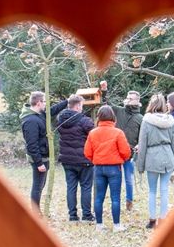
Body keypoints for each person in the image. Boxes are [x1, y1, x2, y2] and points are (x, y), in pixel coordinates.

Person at [84, 105, 132, 231]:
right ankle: (116, 225)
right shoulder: (118, 132)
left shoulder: (93, 133)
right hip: (114, 168)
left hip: (98, 168)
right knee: (115, 198)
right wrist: (122, 159)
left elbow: (87, 152)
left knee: (99, 197)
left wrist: (96, 160)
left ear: (99, 117)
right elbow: (126, 151)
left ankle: (99, 225)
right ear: (112, 116)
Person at [20, 91, 68, 213]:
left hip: (44, 156)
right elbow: (31, 145)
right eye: (45, 102)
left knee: (41, 185)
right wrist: (39, 163)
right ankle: (36, 213)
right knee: (37, 186)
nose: (46, 104)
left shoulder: (39, 114)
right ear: (38, 103)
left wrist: (67, 102)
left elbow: (52, 111)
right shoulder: (30, 121)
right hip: (39, 159)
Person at [136, 94, 174, 229]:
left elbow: (142, 144)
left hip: (152, 157)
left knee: (152, 190)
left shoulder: (146, 121)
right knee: (164, 189)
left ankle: (152, 219)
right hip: (167, 156)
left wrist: (140, 166)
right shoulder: (170, 121)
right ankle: (163, 219)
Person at [99, 81, 142, 211]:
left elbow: (143, 136)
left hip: (130, 154)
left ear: (137, 101)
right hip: (115, 152)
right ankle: (115, 202)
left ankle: (129, 202)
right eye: (127, 98)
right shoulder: (119, 111)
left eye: (131, 98)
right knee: (115, 180)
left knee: (128, 179)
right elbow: (105, 105)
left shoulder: (140, 118)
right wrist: (104, 90)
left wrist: (139, 144)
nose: (127, 100)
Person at [56, 94, 95, 222]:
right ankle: (87, 215)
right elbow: (94, 134)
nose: (82, 108)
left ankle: (72, 215)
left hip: (67, 159)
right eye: (81, 106)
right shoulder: (84, 121)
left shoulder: (61, 119)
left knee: (71, 187)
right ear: (77, 106)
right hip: (84, 159)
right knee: (86, 187)